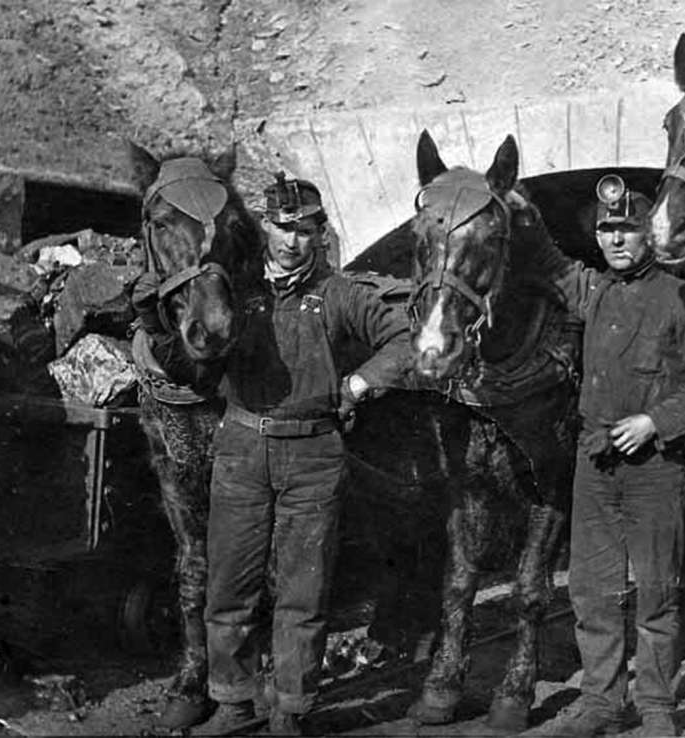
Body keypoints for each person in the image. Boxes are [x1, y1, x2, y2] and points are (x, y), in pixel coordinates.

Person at [201, 173, 413, 735]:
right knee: (230, 583)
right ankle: (232, 701)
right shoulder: (238, 291)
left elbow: (406, 339)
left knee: (303, 588)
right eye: (283, 227)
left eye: (307, 230)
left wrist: (358, 386)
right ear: (265, 227)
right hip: (242, 447)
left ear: (320, 233)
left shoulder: (340, 294)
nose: (294, 240)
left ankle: (291, 708)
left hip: (313, 453)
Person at [535, 175, 685, 736]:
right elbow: (541, 259)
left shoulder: (681, 297)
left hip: (655, 469)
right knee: (591, 589)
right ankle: (600, 701)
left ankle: (657, 705)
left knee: (656, 589)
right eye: (606, 229)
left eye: (628, 228)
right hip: (593, 462)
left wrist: (654, 422)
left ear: (650, 234)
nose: (617, 240)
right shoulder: (592, 291)